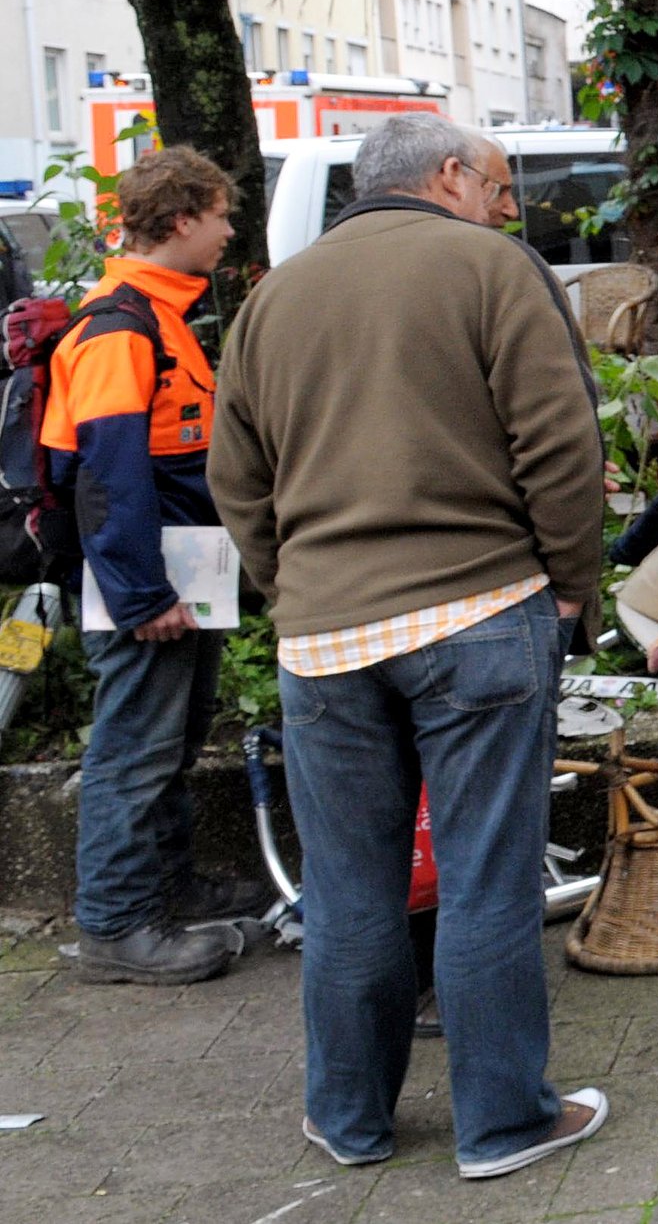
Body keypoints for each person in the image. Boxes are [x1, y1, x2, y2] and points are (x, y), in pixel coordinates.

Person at [210, 114, 611, 1180]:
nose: (504, 205)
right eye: (494, 183)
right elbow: (562, 443)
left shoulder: (271, 298)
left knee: (346, 886)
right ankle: (502, 1123)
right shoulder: (492, 269)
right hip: (478, 612)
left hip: (324, 636)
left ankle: (348, 1118)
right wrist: (572, 582)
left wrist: (293, 585)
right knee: (484, 874)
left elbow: (237, 478)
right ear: (446, 176)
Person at [49, 147, 268, 986]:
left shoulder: (158, 314)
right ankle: (115, 924)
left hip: (183, 561)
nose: (228, 230)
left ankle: (167, 890)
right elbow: (108, 476)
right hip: (148, 575)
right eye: (219, 215)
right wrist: (144, 592)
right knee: (136, 747)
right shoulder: (118, 328)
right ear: (180, 219)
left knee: (169, 739)